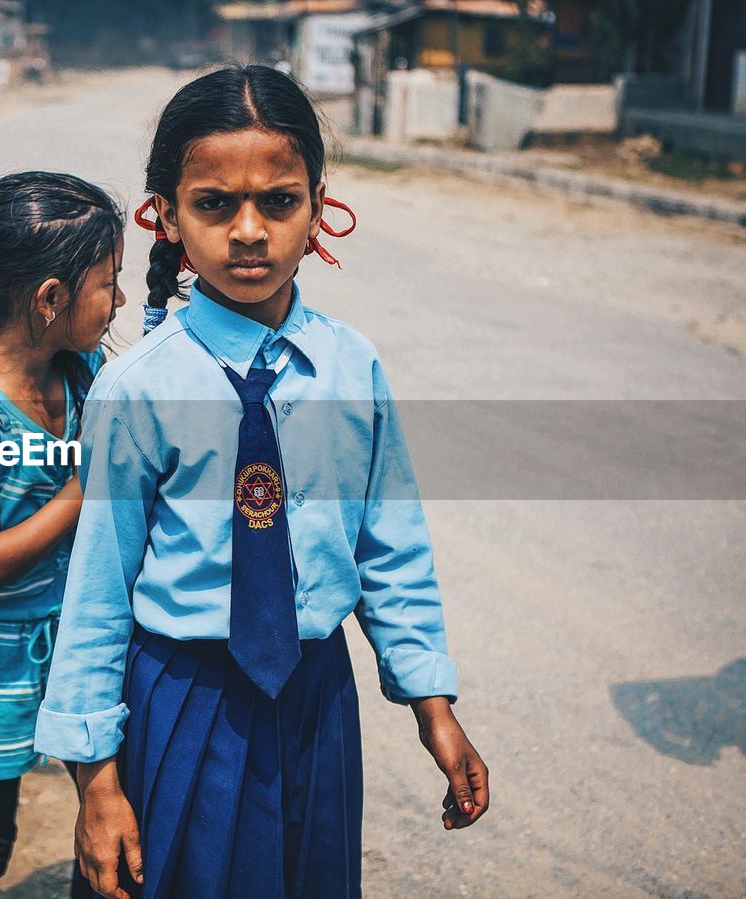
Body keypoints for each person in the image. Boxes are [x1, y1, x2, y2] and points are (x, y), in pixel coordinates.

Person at [34, 65, 490, 899]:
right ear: (167, 214)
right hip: (183, 699)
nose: (249, 231)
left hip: (316, 700)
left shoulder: (351, 366)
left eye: (278, 202)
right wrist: (96, 782)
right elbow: (95, 588)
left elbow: (390, 545)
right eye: (214, 205)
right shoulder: (139, 388)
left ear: (317, 205)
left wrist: (432, 702)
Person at [0, 172, 124, 899]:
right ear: (48, 298)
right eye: (108, 283)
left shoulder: (86, 373)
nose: (120, 302)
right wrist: (86, 487)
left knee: (109, 820)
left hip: (73, 640)